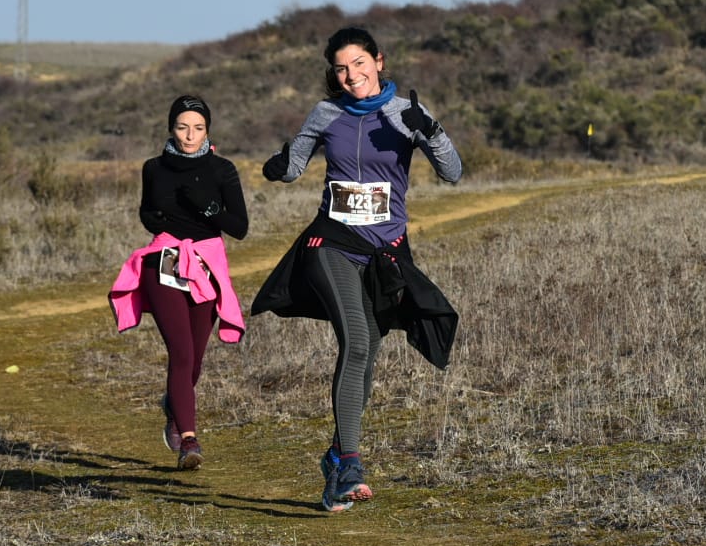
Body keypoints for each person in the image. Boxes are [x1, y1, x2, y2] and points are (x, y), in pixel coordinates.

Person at [251, 26, 462, 512]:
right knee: (358, 341)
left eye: (359, 64)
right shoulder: (326, 113)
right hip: (333, 241)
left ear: (379, 61)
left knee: (366, 356)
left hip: (387, 252)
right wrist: (278, 165)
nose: (351, 75)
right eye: (341, 69)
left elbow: (453, 173)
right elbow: (293, 167)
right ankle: (350, 463)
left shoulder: (408, 114)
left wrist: (430, 132)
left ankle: (334, 458)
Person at [109, 95, 249, 470]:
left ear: (208, 130)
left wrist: (208, 207)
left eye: (198, 128)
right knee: (181, 353)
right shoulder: (154, 168)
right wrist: (154, 220)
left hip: (205, 265)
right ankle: (189, 440)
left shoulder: (222, 169)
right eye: (182, 127)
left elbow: (240, 228)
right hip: (164, 261)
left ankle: (174, 408)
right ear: (171, 127)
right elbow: (145, 210)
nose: (190, 135)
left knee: (195, 362)